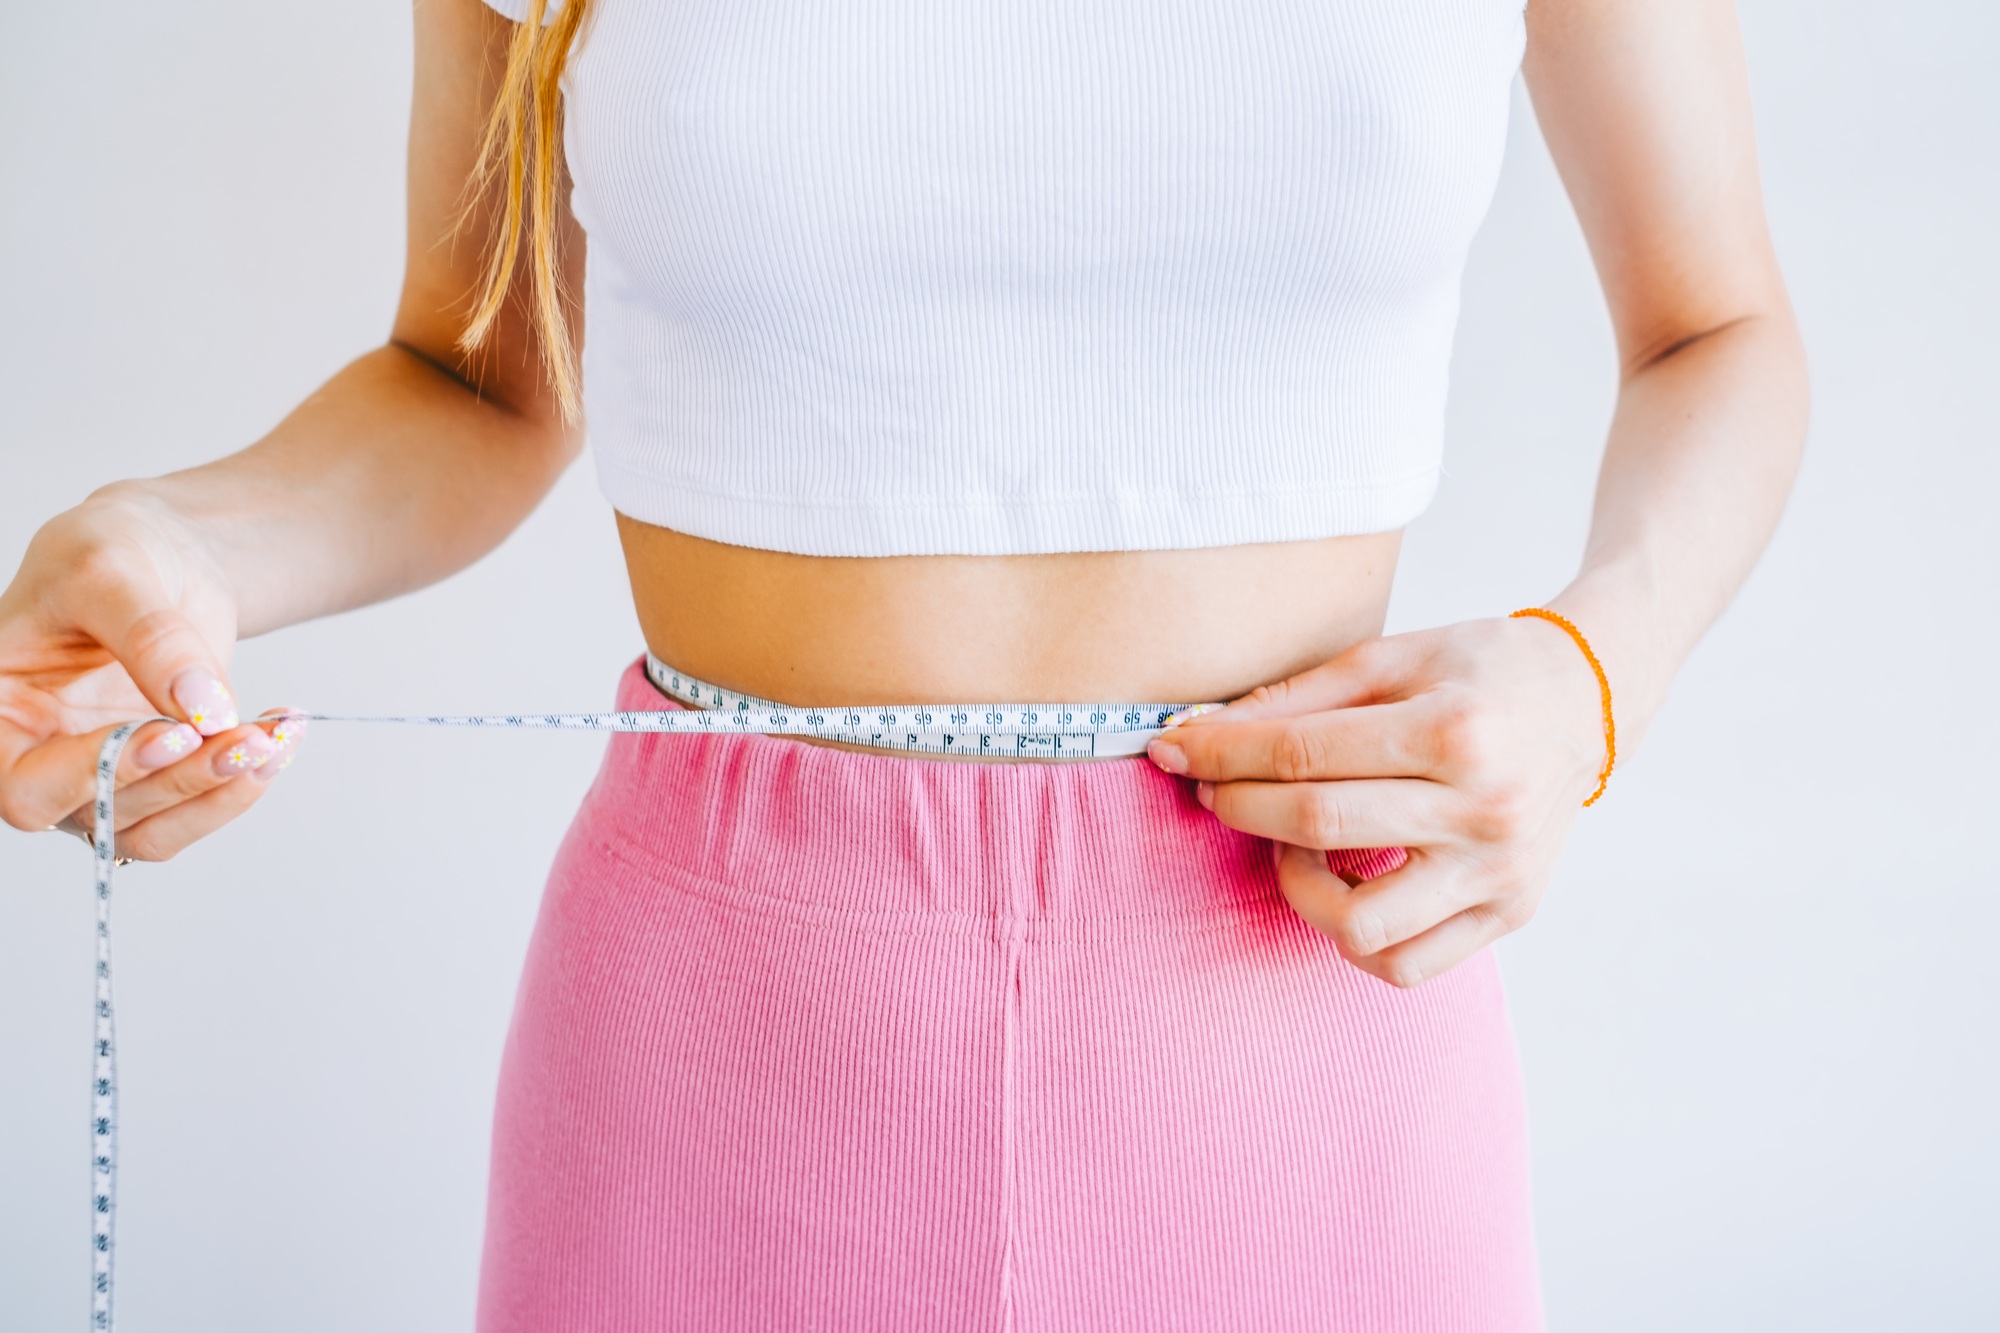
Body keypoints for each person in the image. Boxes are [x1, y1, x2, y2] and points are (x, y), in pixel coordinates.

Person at [0, 0, 1806, 1327]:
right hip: (717, 1053)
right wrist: (186, 554)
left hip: (1308, 1023)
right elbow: (477, 374)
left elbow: (1715, 328)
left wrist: (1590, 671)